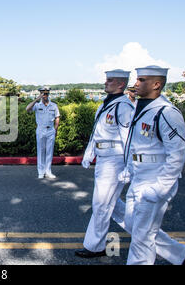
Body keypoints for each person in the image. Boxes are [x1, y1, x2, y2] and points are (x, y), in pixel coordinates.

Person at [122, 65, 185, 265]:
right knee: (135, 226)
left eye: (141, 80)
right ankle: (181, 255)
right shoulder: (141, 108)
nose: (136, 83)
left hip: (155, 179)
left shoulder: (167, 112)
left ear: (157, 84)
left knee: (142, 236)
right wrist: (129, 170)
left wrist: (161, 188)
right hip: (139, 177)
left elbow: (177, 154)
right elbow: (138, 145)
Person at [76, 69, 135, 258]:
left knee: (101, 204)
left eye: (110, 80)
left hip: (114, 159)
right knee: (111, 203)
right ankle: (145, 232)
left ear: (120, 84)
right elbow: (97, 132)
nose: (105, 83)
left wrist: (129, 166)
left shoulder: (124, 107)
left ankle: (95, 246)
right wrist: (89, 153)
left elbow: (128, 139)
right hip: (103, 158)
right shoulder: (105, 104)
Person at [26, 87, 60, 179]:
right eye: (43, 94)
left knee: (49, 151)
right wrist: (37, 99)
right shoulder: (37, 105)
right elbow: (27, 109)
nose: (45, 95)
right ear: (40, 94)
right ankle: (41, 172)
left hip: (50, 130)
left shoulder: (53, 105)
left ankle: (48, 171)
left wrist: (56, 130)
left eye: (47, 94)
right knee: (41, 151)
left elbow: (57, 117)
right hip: (41, 130)